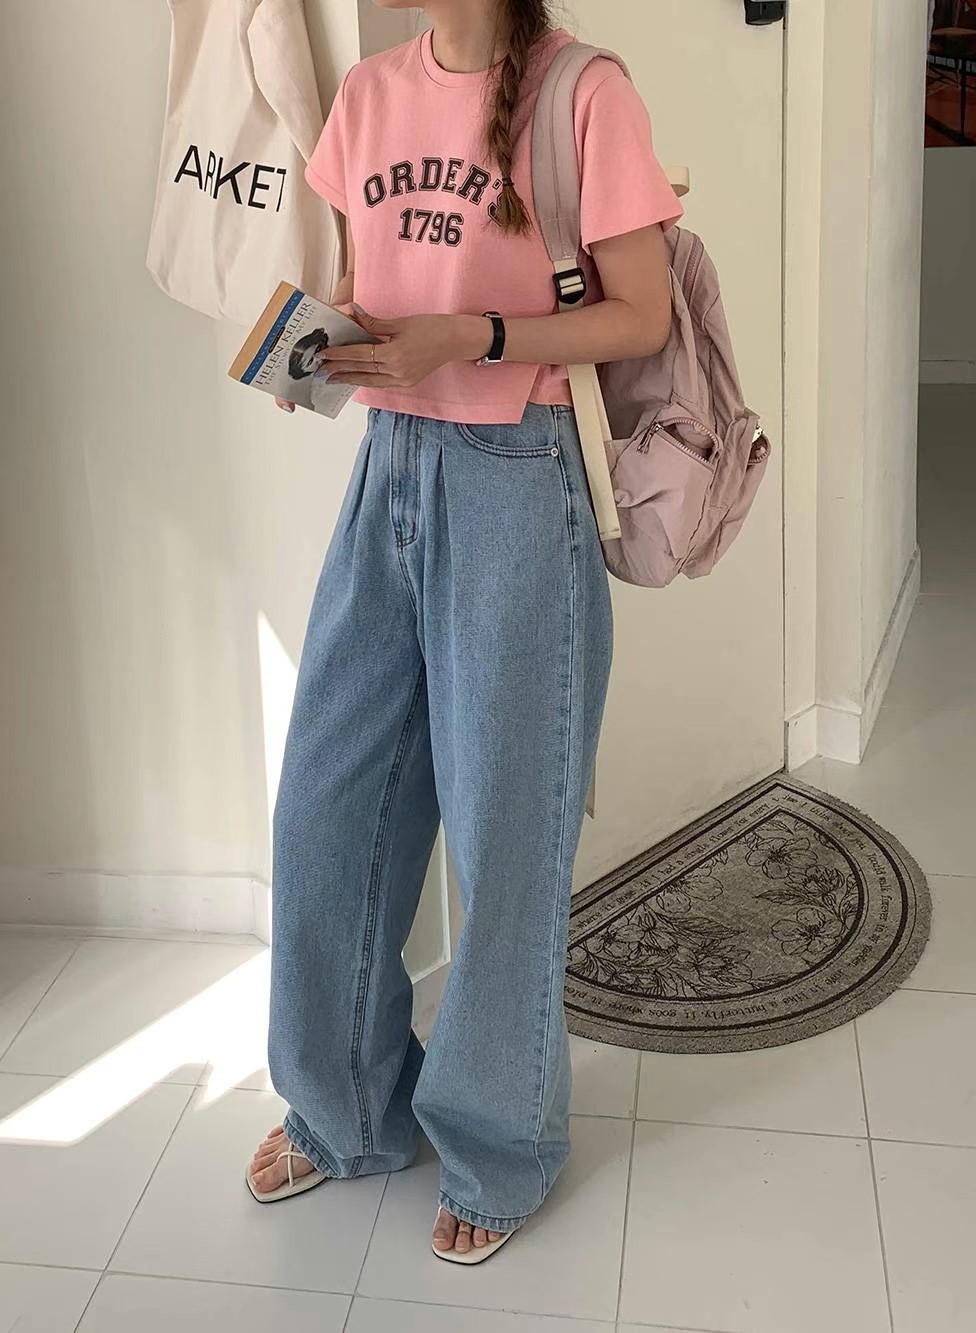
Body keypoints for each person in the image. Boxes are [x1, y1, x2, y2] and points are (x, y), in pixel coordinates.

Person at [245, 0, 683, 1265]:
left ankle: (497, 1146)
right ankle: (340, 1109)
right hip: (388, 467)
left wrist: (474, 338)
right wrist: (319, 349)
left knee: (505, 829)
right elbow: (368, 284)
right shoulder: (370, 94)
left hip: (515, 477)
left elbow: (640, 315)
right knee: (326, 803)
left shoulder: (583, 92)